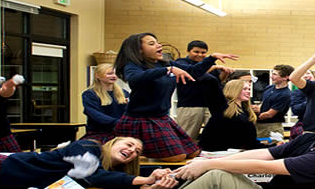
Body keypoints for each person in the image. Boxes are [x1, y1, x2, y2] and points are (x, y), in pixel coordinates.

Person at [164, 117, 315, 189]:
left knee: (216, 175)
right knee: (214, 169)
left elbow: (267, 166)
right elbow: (265, 153)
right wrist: (217, 160)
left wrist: (209, 163)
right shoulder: (309, 138)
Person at [113, 32, 237, 162]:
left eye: (157, 42)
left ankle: (147, 153)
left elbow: (193, 71)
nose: (158, 45)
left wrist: (211, 58)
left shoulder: (163, 63)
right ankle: (144, 156)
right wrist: (168, 70)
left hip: (162, 118)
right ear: (139, 50)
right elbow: (134, 78)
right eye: (151, 43)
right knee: (177, 156)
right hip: (142, 119)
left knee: (193, 152)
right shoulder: (134, 66)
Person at [0, 134, 176, 189]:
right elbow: (92, 174)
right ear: (114, 142)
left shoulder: (106, 170)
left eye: (137, 152)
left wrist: (146, 185)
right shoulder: (89, 146)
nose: (132, 151)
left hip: (1, 181)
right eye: (129, 144)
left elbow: (105, 178)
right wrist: (147, 180)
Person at [173, 40, 231, 140]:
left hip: (211, 107)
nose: (200, 55)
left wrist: (225, 72)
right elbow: (193, 73)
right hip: (190, 106)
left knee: (217, 137)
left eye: (203, 52)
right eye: (196, 52)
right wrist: (213, 67)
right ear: (188, 51)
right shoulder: (181, 63)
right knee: (186, 139)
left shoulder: (209, 65)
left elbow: (217, 81)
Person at [199, 79, 264, 152]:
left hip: (235, 151)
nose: (248, 91)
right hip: (220, 152)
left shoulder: (245, 111)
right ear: (234, 90)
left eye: (249, 89)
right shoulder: (224, 110)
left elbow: (248, 141)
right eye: (244, 89)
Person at [81, 63, 130, 143]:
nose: (114, 76)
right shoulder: (90, 94)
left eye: (115, 73)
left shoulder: (124, 93)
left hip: (122, 133)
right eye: (109, 74)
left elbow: (130, 111)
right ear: (98, 76)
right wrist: (117, 122)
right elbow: (95, 115)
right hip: (99, 133)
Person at [253, 64, 294, 139]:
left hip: (271, 127)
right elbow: (263, 103)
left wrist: (251, 117)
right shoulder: (269, 88)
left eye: (275, 74)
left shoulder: (285, 94)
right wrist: (257, 108)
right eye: (272, 73)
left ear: (285, 77)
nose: (271, 76)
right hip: (259, 125)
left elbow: (269, 114)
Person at [288, 70, 314, 137]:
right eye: (302, 74)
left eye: (308, 73)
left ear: (314, 76)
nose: (306, 76)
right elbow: (295, 110)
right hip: (305, 124)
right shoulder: (297, 92)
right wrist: (311, 101)